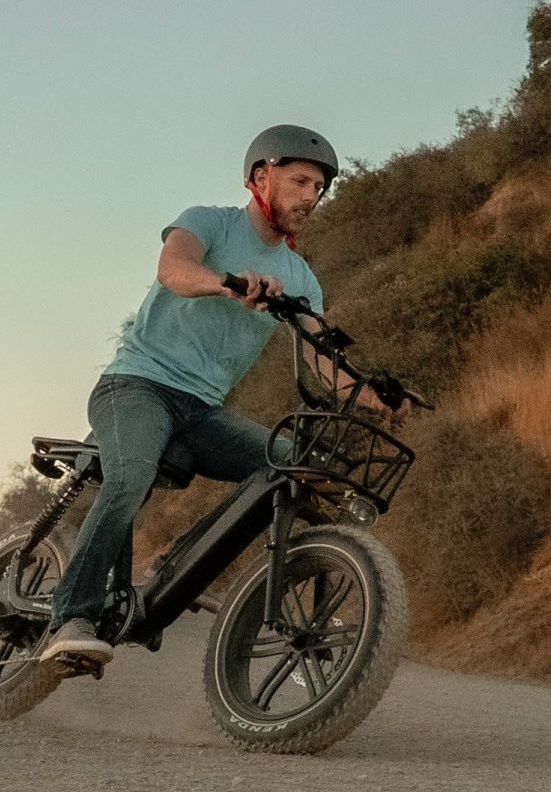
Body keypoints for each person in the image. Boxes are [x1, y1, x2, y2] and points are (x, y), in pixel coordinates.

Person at [38, 123, 393, 670]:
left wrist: (369, 394)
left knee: (291, 469)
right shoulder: (208, 222)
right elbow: (173, 270)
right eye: (299, 181)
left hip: (201, 411)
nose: (310, 196)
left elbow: (323, 359)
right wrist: (229, 284)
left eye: (319, 189)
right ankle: (71, 615)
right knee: (129, 476)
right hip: (137, 384)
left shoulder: (302, 278)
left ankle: (178, 571)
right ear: (260, 177)